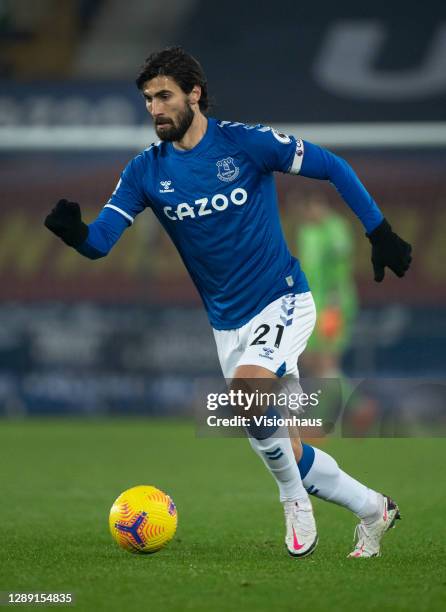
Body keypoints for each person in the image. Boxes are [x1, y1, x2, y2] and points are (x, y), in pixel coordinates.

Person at [44, 46, 411, 559]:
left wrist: (380, 231)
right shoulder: (144, 172)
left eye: (164, 96)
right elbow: (101, 242)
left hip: (283, 297)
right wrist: (75, 234)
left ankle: (291, 500)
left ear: (194, 94)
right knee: (286, 442)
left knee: (246, 393)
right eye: (148, 99)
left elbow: (331, 164)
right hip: (227, 324)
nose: (155, 109)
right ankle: (374, 509)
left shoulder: (245, 144)